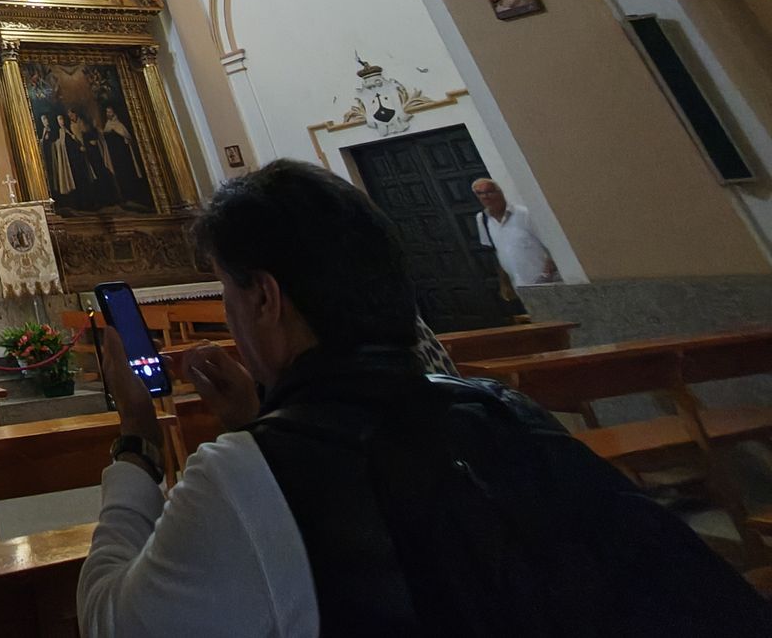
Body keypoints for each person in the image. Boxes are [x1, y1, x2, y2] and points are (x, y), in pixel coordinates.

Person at [77, 159, 769, 638]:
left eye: (228, 294)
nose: (228, 316)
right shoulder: (503, 410)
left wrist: (137, 440)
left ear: (264, 298)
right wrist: (263, 422)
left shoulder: (239, 475)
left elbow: (115, 622)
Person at [472, 176, 563, 286]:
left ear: (500, 192)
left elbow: (553, 243)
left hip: (547, 281)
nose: (485, 197)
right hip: (518, 284)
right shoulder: (482, 219)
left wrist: (549, 268)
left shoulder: (525, 214)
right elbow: (496, 250)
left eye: (489, 192)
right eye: (479, 193)